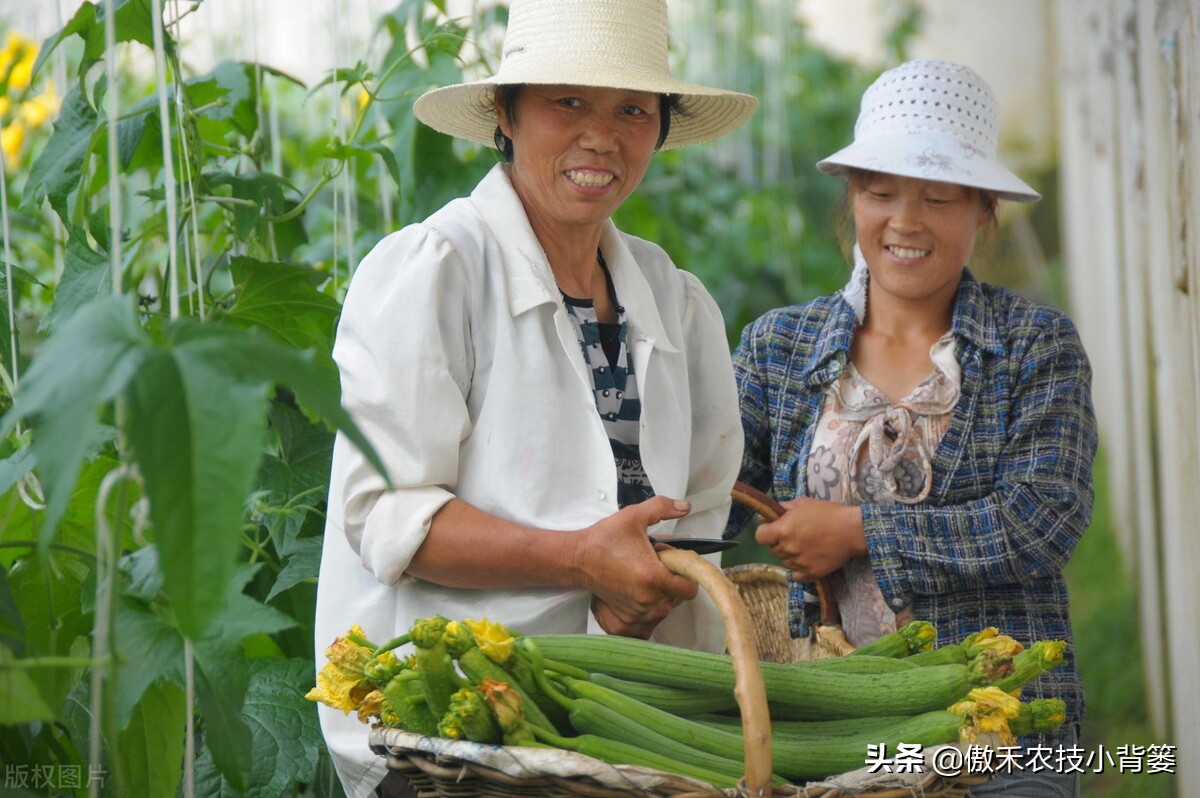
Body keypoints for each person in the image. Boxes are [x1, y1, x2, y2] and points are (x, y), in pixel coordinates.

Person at [313, 1, 757, 795]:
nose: (602, 136)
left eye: (631, 109)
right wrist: (581, 562)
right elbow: (386, 513)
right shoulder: (438, 269)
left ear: (659, 128)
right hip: (452, 730)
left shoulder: (673, 297)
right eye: (567, 101)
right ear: (504, 114)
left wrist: (645, 588)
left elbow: (699, 502)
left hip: (622, 722)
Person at [726, 60, 1096, 797]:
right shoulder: (780, 346)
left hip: (997, 729)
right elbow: (714, 486)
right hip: (831, 725)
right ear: (852, 199)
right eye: (881, 190)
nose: (905, 220)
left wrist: (860, 531)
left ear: (982, 210)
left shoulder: (1035, 345)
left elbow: (1044, 517)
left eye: (940, 195)